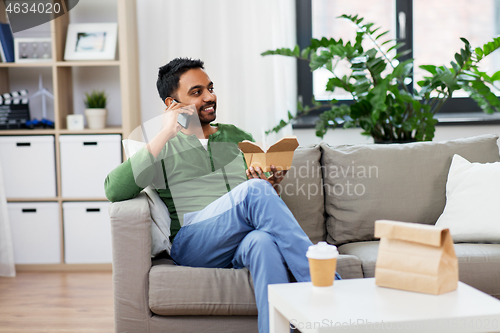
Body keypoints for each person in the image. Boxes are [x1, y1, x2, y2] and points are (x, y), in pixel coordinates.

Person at [105, 57, 338, 333]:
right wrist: (166, 132)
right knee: (255, 192)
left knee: (263, 243)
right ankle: (332, 294)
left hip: (238, 238)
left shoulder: (237, 136)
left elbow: (253, 200)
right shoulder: (162, 147)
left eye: (210, 88)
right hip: (194, 243)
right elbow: (114, 189)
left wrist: (269, 184)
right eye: (197, 92)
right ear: (171, 105)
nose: (210, 97)